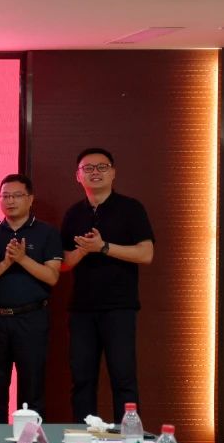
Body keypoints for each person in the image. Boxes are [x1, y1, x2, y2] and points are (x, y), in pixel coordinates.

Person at [61, 147, 154, 423]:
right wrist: (83, 250)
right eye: (88, 168)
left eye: (102, 167)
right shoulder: (73, 213)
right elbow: (64, 263)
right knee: (82, 380)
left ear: (113, 173)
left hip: (119, 307)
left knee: (123, 378)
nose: (95, 173)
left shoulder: (131, 208)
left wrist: (103, 247)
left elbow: (146, 254)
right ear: (78, 176)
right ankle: (83, 439)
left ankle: (128, 438)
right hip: (82, 309)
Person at [0, 174, 62, 424]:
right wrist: (7, 262)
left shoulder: (47, 232)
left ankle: (30, 442)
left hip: (32, 318)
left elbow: (52, 277)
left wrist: (22, 259)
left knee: (32, 389)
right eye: (5, 196)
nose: (10, 201)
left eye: (17, 195)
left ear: (30, 199)